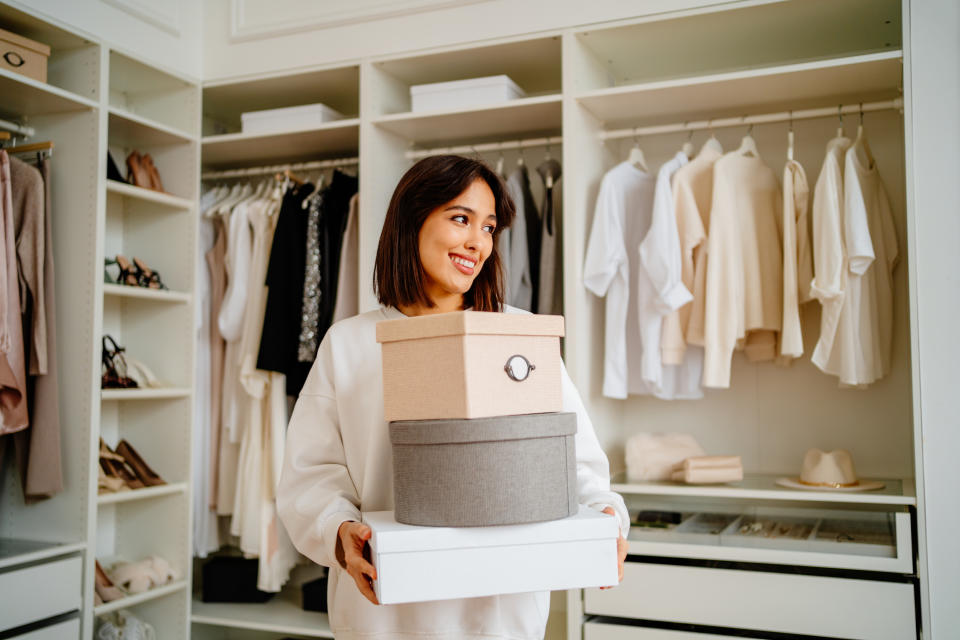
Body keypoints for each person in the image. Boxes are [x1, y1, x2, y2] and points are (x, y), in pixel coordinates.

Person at [277, 155, 629, 640]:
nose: (477, 242)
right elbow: (310, 474)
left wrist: (606, 515)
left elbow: (576, 461)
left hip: (500, 613)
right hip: (387, 613)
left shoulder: (522, 335)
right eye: (460, 219)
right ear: (411, 220)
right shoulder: (349, 343)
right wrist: (340, 531)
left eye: (488, 227)